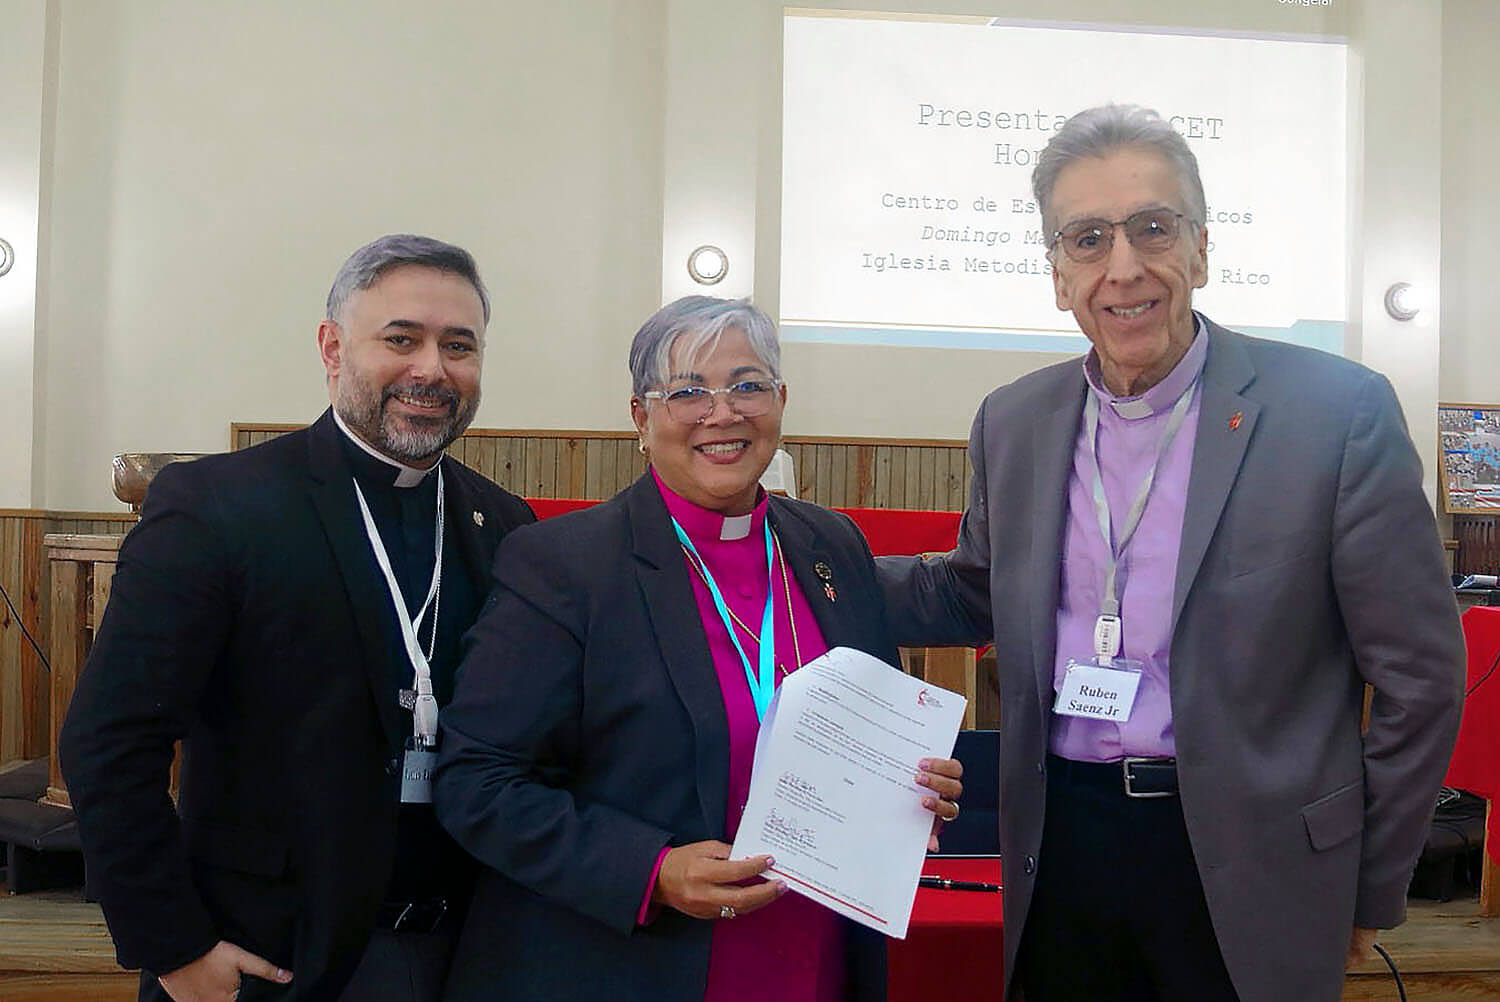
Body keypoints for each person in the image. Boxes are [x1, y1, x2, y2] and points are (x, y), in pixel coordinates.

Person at [877, 105, 1464, 1002]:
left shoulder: (1334, 414)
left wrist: (1371, 882)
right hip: (1060, 844)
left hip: (1253, 857)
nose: (1124, 268)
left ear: (1199, 247)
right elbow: (974, 593)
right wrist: (795, 562)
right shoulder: (1015, 419)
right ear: (1056, 271)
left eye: (1153, 228)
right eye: (1087, 238)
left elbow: (1421, 678)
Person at [432, 296, 963, 1001]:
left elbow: (870, 727)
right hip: (639, 961)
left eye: (748, 385)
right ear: (640, 419)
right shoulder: (565, 565)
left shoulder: (830, 545)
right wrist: (651, 871)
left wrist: (913, 784)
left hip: (815, 954)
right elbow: (478, 783)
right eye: (687, 391)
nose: (723, 413)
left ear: (780, 400)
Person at [59, 234, 536, 1002]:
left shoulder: (503, 524)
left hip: (466, 952)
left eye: (458, 345)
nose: (431, 369)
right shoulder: (220, 506)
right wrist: (174, 945)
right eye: (401, 338)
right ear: (331, 346)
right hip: (268, 955)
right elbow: (109, 741)